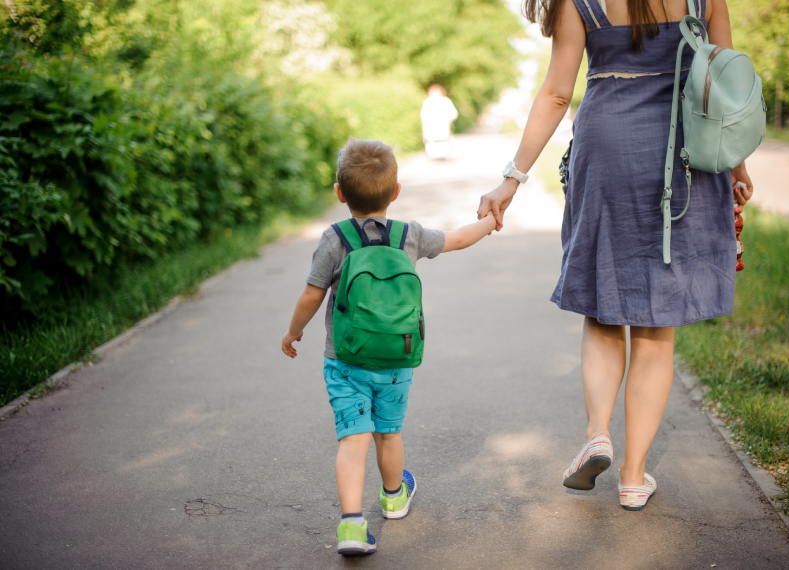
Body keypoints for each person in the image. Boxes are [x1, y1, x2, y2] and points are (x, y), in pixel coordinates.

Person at [477, 0, 755, 511]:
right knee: (656, 327)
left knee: (605, 306)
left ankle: (598, 433)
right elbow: (726, 84)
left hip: (607, 146)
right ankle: (632, 477)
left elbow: (558, 93)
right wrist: (735, 164)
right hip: (684, 155)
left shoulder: (580, 3)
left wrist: (511, 178)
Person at [281, 137, 497, 554]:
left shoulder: (335, 238)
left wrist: (294, 332)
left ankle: (351, 527)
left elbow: (312, 294)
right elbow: (458, 239)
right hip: (397, 359)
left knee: (353, 440)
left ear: (339, 193)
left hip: (345, 360)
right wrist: (490, 221)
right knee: (389, 434)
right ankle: (395, 497)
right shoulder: (409, 236)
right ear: (395, 192)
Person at [420, 84, 459, 159]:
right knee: (432, 146)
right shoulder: (427, 102)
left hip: (443, 128)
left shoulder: (445, 101)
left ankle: (442, 158)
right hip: (430, 128)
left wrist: (447, 119)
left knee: (443, 145)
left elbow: (454, 114)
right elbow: (423, 116)